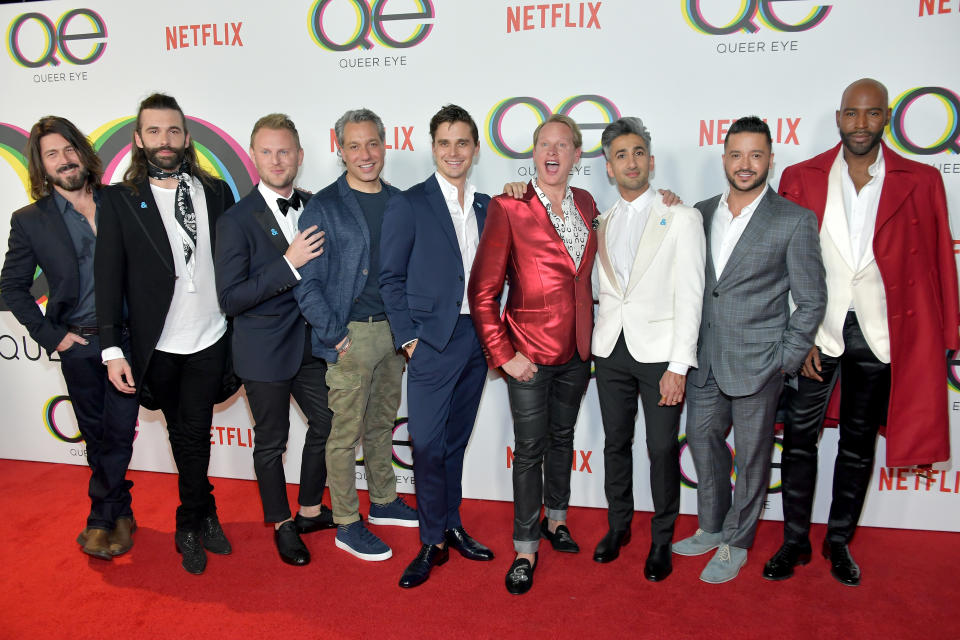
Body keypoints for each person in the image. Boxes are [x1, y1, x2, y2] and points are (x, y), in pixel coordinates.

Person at [763, 78, 959, 587]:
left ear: (886, 118)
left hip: (879, 333)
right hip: (818, 332)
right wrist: (795, 334)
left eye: (872, 114)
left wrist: (949, 328)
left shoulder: (920, 179)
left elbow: (940, 259)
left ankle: (839, 541)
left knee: (857, 444)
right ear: (839, 117)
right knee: (800, 439)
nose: (861, 124)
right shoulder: (801, 177)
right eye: (852, 114)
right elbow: (780, 265)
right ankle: (794, 542)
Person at [673, 116, 826, 584]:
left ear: (770, 160)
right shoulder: (697, 213)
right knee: (703, 444)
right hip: (706, 359)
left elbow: (812, 298)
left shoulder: (793, 220)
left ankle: (736, 543)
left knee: (754, 457)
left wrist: (785, 357)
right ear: (723, 159)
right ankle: (712, 525)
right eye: (736, 155)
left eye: (755, 155)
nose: (745, 164)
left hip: (760, 364)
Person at [95, 93, 236, 575]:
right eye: (154, 131)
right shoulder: (117, 199)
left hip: (210, 336)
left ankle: (187, 522)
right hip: (157, 345)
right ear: (138, 140)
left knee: (193, 432)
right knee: (184, 434)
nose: (165, 140)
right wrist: (112, 348)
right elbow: (108, 276)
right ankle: (205, 511)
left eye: (173, 131)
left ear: (186, 137)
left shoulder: (216, 193)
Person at [468, 114, 598, 595]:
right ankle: (525, 547)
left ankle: (556, 520)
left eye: (563, 145)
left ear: (576, 156)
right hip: (527, 355)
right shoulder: (509, 206)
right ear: (534, 152)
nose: (552, 151)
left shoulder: (587, 203)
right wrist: (504, 354)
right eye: (544, 143)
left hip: (577, 352)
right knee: (529, 452)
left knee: (562, 438)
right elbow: (482, 293)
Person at [1, 116, 141, 561]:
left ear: (83, 152)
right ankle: (118, 511)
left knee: (119, 432)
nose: (64, 160)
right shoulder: (30, 221)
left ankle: (102, 517)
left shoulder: (122, 201)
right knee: (98, 435)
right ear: (41, 167)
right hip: (78, 345)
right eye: (51, 154)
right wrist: (51, 335)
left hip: (130, 340)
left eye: (69, 149)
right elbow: (11, 287)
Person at [380, 105, 495, 588]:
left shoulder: (490, 206)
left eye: (463, 143)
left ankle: (451, 524)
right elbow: (389, 278)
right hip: (430, 341)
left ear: (474, 149)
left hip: (477, 340)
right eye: (445, 143)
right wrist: (409, 341)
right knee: (425, 444)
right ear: (433, 147)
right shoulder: (410, 203)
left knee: (454, 443)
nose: (454, 152)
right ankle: (431, 540)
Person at [296, 108, 417, 562]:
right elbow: (305, 282)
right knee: (344, 435)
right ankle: (347, 522)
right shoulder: (324, 206)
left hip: (394, 335)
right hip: (349, 337)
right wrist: (333, 334)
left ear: (384, 145)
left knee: (383, 423)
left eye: (372, 144)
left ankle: (383, 500)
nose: (365, 154)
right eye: (354, 145)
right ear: (340, 149)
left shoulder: (402, 201)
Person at [214, 113, 333, 567]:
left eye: (285, 151)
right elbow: (230, 297)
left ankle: (308, 509)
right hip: (262, 351)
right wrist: (286, 264)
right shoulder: (236, 220)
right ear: (253, 156)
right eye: (267, 151)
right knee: (271, 443)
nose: (277, 159)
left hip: (311, 344)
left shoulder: (316, 205)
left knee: (330, 422)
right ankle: (282, 524)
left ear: (300, 156)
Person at [590, 117, 705, 582]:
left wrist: (679, 364)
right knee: (616, 444)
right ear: (609, 168)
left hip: (660, 355)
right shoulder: (601, 220)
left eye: (638, 152)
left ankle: (662, 539)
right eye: (621, 155)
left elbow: (691, 294)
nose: (631, 161)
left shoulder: (682, 216)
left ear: (651, 161)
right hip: (610, 350)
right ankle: (618, 527)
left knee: (661, 449)